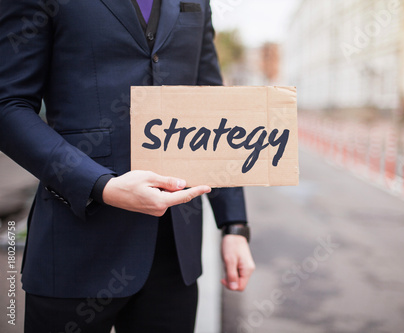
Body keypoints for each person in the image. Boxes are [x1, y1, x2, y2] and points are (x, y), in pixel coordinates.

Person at [0, 0, 255, 332]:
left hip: (175, 253)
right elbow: (8, 106)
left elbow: (210, 109)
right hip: (76, 243)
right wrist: (98, 184)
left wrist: (234, 225)